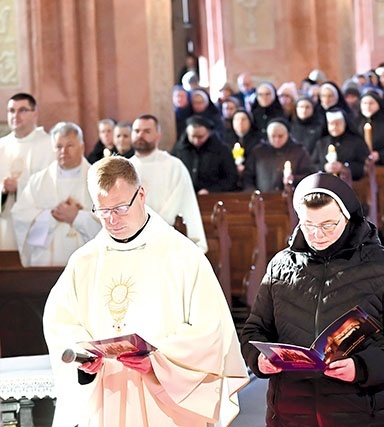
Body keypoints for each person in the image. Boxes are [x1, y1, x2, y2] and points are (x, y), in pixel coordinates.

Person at [43, 155, 249, 427]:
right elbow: (60, 323)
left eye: (120, 208)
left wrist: (159, 360)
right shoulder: (85, 261)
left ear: (141, 194)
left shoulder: (182, 255)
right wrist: (83, 356)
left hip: (165, 403)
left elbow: (210, 330)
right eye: (103, 211)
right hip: (108, 398)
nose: (112, 220)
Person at [240, 172, 384, 427]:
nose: (317, 235)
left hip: (368, 413)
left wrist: (362, 366)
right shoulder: (281, 266)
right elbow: (255, 330)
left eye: (328, 225)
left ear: (348, 218)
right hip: (294, 413)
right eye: (309, 225)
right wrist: (259, 360)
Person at [11, 122, 100, 266]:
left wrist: (78, 217)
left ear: (82, 147)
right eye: (59, 146)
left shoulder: (98, 181)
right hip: (46, 269)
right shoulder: (38, 181)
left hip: (88, 266)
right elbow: (21, 217)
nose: (64, 151)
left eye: (70, 145)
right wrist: (51, 216)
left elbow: (109, 222)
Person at [129, 114, 207, 252]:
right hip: (132, 239)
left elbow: (177, 203)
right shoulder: (126, 168)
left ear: (158, 136)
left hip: (166, 238)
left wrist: (149, 228)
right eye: (136, 131)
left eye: (147, 131)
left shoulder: (173, 166)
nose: (140, 135)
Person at [0, 93, 55, 250]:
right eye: (11, 111)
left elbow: (53, 186)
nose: (15, 115)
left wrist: (20, 186)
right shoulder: (1, 146)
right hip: (5, 223)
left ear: (35, 113)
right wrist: (2, 191)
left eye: (22, 110)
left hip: (37, 225)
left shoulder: (50, 146)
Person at [242, 118, 314, 192]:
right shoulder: (258, 151)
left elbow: (310, 176)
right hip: (264, 198)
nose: (277, 140)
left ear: (287, 135)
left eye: (280, 136)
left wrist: (294, 179)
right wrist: (252, 192)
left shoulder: (299, 151)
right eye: (273, 136)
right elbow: (248, 176)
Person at [171, 115, 238, 194]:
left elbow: (230, 178)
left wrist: (210, 190)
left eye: (200, 137)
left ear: (208, 134)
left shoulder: (221, 150)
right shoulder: (179, 149)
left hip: (211, 195)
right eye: (193, 136)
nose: (196, 140)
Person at [311, 109, 370, 181]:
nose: (334, 126)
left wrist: (343, 168)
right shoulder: (321, 143)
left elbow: (364, 166)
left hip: (352, 185)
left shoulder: (356, 142)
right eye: (331, 123)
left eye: (338, 123)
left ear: (345, 123)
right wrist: (324, 167)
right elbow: (312, 165)